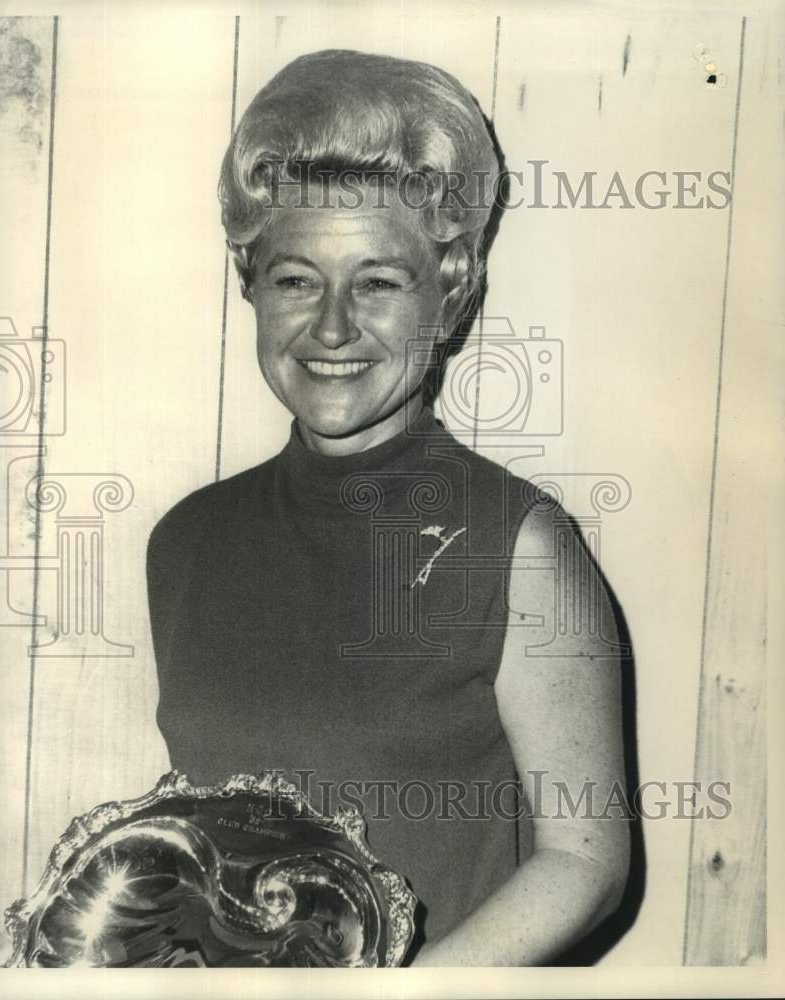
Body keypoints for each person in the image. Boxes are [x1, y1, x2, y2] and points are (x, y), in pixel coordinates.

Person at [145, 49, 630, 966]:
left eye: (377, 281)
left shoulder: (516, 543)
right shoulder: (186, 541)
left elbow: (586, 862)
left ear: (449, 293)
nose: (331, 327)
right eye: (297, 279)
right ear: (248, 284)